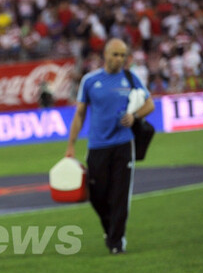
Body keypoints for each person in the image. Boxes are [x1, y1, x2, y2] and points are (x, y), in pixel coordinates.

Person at [65, 38, 155, 254]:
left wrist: (134, 116)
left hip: (123, 144)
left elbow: (149, 104)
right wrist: (71, 145)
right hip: (97, 146)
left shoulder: (130, 78)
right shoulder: (90, 81)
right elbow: (80, 113)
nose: (120, 59)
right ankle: (110, 229)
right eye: (115, 54)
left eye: (123, 55)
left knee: (120, 196)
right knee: (97, 195)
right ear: (105, 55)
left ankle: (116, 242)